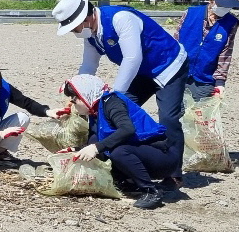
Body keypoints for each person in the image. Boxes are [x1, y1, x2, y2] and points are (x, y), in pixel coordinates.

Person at [51, 0, 187, 187]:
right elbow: (89, 66)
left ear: (87, 18)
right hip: (141, 73)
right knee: (110, 114)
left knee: (168, 117)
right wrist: (76, 90)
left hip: (168, 65)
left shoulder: (121, 18)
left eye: (74, 27)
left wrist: (115, 95)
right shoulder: (91, 35)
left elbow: (132, 59)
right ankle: (117, 164)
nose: (74, 32)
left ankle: (174, 173)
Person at [61, 74, 174, 210]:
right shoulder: (95, 111)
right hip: (142, 152)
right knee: (95, 140)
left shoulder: (112, 102)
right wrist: (77, 150)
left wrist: (96, 148)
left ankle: (151, 191)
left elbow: (127, 130)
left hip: (162, 155)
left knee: (118, 152)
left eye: (75, 98)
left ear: (85, 94)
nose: (72, 102)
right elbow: (97, 143)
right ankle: (128, 182)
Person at [171, 0, 239, 101]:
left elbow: (226, 54)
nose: (226, 8)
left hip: (205, 80)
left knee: (200, 118)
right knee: (173, 116)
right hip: (178, 75)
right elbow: (174, 43)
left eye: (229, 5)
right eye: (222, 4)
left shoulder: (231, 23)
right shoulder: (190, 13)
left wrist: (220, 83)